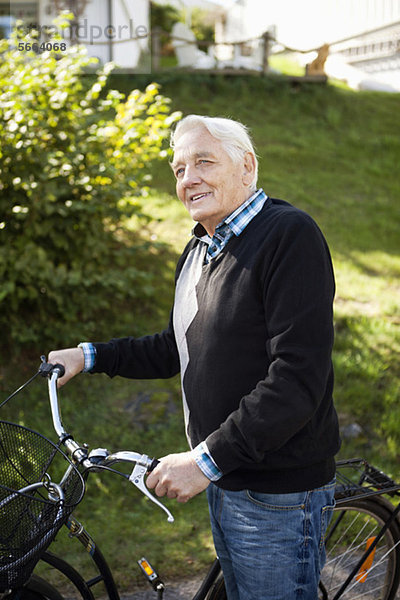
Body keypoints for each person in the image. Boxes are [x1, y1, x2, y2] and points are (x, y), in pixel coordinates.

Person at [49, 115, 341, 600]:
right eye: (179, 169)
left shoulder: (289, 235)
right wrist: (89, 355)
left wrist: (203, 462)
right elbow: (177, 345)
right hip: (227, 475)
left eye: (204, 162)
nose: (189, 179)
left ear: (246, 167)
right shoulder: (201, 247)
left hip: (277, 494)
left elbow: (296, 381)